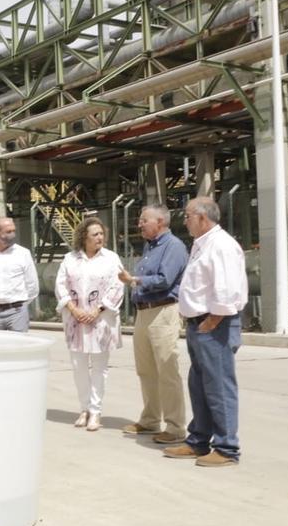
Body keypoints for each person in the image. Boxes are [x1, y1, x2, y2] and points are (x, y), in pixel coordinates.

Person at [163, 197, 248, 467]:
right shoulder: (202, 245)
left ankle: (226, 448)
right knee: (200, 386)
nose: (184, 220)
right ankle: (199, 440)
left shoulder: (221, 246)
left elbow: (228, 289)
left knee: (219, 386)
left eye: (188, 216)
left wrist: (212, 321)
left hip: (215, 325)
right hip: (200, 324)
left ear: (202, 217)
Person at [117, 205, 189, 445]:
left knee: (167, 371)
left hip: (163, 311)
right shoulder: (150, 247)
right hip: (144, 312)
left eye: (143, 220)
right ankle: (150, 420)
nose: (139, 224)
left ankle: (176, 427)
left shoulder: (174, 246)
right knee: (146, 370)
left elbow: (165, 279)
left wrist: (134, 279)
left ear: (160, 222)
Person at [55, 217, 125, 431]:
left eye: (101, 233)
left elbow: (117, 286)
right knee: (79, 368)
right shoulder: (70, 259)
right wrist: (74, 310)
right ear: (84, 236)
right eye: (95, 234)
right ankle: (84, 408)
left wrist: (97, 310)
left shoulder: (111, 259)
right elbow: (61, 285)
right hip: (76, 321)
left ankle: (95, 411)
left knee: (99, 368)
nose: (100, 237)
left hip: (101, 321)